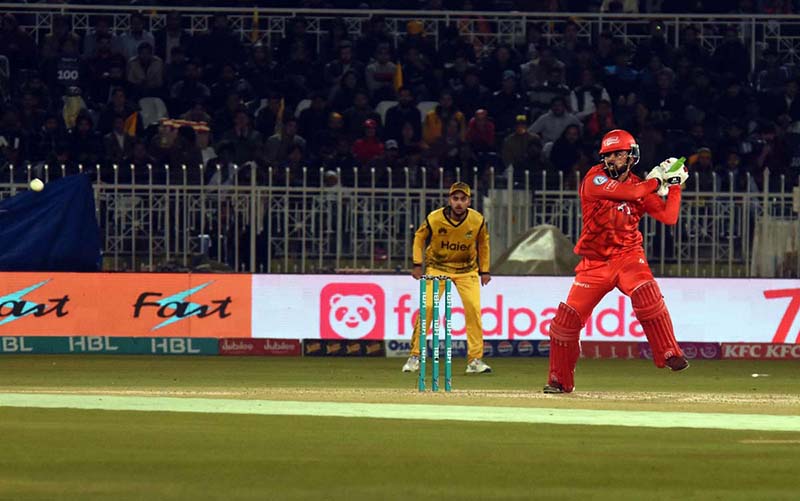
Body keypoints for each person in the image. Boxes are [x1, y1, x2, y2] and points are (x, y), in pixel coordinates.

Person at [543, 129, 690, 394]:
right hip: (595, 262)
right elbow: (631, 194)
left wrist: (676, 185)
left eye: (618, 154)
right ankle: (559, 380)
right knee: (565, 323)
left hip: (629, 257)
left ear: (631, 156)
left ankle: (669, 352)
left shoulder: (639, 186)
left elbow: (669, 217)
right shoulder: (594, 179)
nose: (611, 160)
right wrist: (657, 182)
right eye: (608, 155)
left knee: (646, 294)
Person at [403, 182, 493, 375]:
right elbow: (419, 237)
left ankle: (475, 360)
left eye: (463, 199)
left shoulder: (477, 220)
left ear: (469, 201)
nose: (459, 203)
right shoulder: (435, 218)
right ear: (449, 200)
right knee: (427, 307)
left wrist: (485, 270)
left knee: (473, 310)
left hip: (467, 270)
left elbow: (483, 245)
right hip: (438, 267)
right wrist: (417, 264)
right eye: (455, 199)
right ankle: (415, 356)